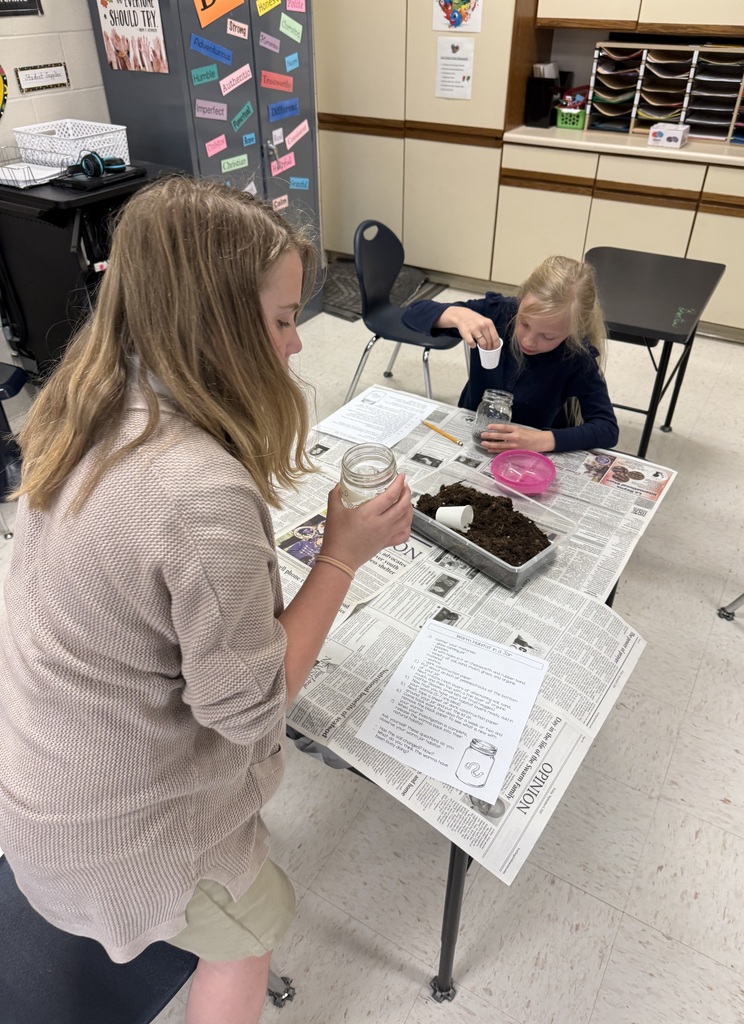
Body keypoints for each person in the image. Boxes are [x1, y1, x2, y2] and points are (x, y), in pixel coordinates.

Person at [0, 176, 412, 1024]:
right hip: (108, 838)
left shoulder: (80, 404)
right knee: (255, 931)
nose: (296, 345)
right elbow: (253, 712)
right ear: (217, 325)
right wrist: (340, 555)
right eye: (284, 320)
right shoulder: (195, 492)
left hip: (38, 788)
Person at [402, 255, 619, 453]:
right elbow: (411, 314)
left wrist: (540, 440)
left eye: (548, 336)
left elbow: (607, 429)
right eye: (524, 324)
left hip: (527, 449)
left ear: (573, 331)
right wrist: (457, 315)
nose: (528, 341)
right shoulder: (496, 313)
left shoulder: (577, 357)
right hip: (471, 430)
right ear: (521, 300)